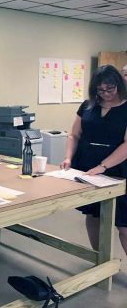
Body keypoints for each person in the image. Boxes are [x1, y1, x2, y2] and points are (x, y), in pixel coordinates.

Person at [61, 65, 127, 255]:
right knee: (94, 214)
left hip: (117, 169)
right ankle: (101, 258)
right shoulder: (87, 105)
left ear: (119, 85)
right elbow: (74, 135)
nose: (105, 93)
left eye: (110, 89)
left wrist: (102, 166)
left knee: (124, 225)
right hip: (87, 169)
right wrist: (68, 158)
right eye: (100, 90)